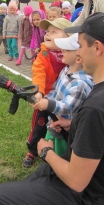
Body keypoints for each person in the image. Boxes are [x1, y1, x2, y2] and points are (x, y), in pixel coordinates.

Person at [0, 12, 104, 204]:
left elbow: (76, 181)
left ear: (98, 48)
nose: (78, 53)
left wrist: (45, 152)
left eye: (81, 46)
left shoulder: (97, 107)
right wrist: (74, 125)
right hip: (96, 182)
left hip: (86, 195)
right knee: (31, 181)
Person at [33, 33, 93, 156]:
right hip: (54, 122)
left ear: (78, 58)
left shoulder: (80, 84)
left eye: (66, 50)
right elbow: (55, 90)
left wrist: (48, 104)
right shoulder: (66, 69)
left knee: (62, 153)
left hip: (66, 129)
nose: (62, 51)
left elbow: (67, 107)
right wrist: (44, 99)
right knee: (51, 142)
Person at [23, 18, 73, 168]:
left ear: (68, 38)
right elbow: (38, 72)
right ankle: (33, 150)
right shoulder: (44, 54)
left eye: (54, 31)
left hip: (64, 101)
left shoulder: (72, 55)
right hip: (45, 99)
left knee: (61, 127)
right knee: (39, 125)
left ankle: (61, 152)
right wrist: (38, 92)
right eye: (47, 31)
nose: (47, 35)